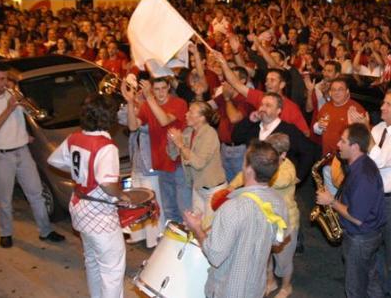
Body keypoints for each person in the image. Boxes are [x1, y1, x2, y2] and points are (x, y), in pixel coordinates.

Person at [0, 61, 64, 248]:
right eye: (1, 79)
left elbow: (34, 113)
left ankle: (45, 230)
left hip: (22, 152)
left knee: (36, 194)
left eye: (7, 78)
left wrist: (25, 103)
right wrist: (9, 109)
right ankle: (5, 233)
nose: (5, 82)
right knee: (5, 199)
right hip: (1, 156)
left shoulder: (12, 95)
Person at [183, 141, 289, 298]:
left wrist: (196, 228)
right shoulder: (279, 202)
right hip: (256, 288)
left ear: (249, 170)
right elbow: (278, 240)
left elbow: (214, 255)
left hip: (227, 290)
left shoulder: (232, 207)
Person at [47, 94, 129, 298]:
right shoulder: (105, 147)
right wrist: (121, 196)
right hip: (99, 214)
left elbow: (54, 160)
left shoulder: (74, 137)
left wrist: (80, 174)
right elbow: (106, 183)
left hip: (79, 207)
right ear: (107, 117)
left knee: (92, 262)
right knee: (112, 270)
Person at [351, 87, 391, 298]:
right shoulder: (378, 128)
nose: (382, 107)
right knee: (372, 251)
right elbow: (364, 156)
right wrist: (360, 131)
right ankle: (377, 292)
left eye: (388, 104)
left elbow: (380, 160)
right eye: (384, 102)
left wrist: (363, 130)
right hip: (373, 198)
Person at [316, 124, 386, 298]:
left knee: (355, 288)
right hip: (367, 236)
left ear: (355, 147)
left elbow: (357, 218)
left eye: (343, 141)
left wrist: (331, 201)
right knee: (370, 280)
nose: (338, 144)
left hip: (360, 238)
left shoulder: (363, 176)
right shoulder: (361, 165)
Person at [228, 134, 299, 298]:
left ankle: (286, 286)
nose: (267, 157)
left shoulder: (288, 169)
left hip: (286, 222)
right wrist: (231, 186)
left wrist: (261, 172)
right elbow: (247, 174)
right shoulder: (264, 165)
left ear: (283, 155)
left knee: (284, 261)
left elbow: (276, 180)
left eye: (272, 154)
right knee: (265, 255)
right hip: (264, 220)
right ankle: (270, 280)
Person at [123, 75, 189, 222]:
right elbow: (133, 126)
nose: (160, 93)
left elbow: (164, 120)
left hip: (179, 162)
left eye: (163, 89)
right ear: (152, 90)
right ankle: (174, 240)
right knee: (168, 208)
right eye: (156, 89)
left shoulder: (179, 103)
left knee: (185, 207)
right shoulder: (147, 105)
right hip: (161, 162)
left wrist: (149, 97)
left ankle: (190, 240)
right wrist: (129, 103)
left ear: (169, 88)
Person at [232, 92, 320, 183]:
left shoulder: (289, 130)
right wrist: (249, 120)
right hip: (254, 182)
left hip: (279, 184)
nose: (263, 108)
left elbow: (309, 151)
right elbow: (236, 138)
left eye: (268, 105)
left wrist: (298, 177)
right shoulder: (253, 126)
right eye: (261, 104)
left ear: (278, 111)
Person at [167, 101, 227, 229]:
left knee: (211, 229)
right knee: (197, 227)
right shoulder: (189, 131)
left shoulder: (210, 134)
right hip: (198, 186)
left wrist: (180, 144)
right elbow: (174, 155)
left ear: (202, 118)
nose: (186, 114)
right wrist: (172, 141)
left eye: (191, 112)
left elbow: (198, 163)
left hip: (213, 190)